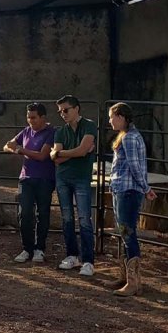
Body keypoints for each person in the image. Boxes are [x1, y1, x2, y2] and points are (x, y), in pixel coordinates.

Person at [105, 102, 156, 296]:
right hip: (123, 189)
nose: (110, 121)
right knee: (125, 232)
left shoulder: (130, 138)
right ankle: (127, 277)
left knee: (127, 232)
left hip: (127, 190)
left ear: (121, 116)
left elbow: (135, 167)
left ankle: (133, 282)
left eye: (112, 117)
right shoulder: (128, 136)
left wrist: (145, 188)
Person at [50, 95, 97, 276]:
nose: (63, 114)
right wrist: (78, 152)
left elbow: (61, 154)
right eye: (60, 111)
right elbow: (56, 160)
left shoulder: (89, 125)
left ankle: (88, 261)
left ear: (76, 108)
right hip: (63, 178)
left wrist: (61, 153)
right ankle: (72, 255)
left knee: (84, 219)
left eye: (66, 110)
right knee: (67, 218)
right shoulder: (61, 131)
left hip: (81, 178)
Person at [4, 103, 56, 264]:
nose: (30, 121)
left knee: (43, 213)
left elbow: (42, 155)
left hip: (44, 178)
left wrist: (20, 150)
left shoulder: (51, 132)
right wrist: (14, 148)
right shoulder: (26, 131)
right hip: (26, 177)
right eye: (28, 117)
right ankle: (27, 248)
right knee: (24, 213)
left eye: (33, 117)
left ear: (43, 117)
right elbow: (7, 145)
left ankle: (39, 248)